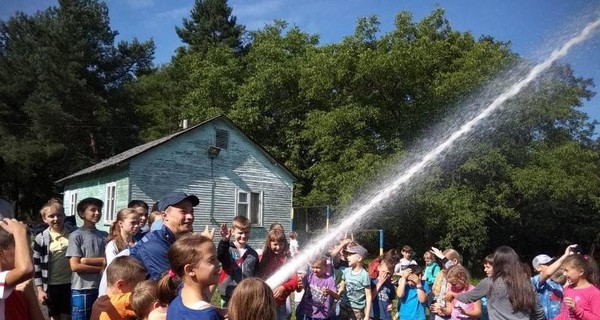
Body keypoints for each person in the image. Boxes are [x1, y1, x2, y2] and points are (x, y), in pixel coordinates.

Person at [446, 246, 544, 320]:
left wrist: (453, 294)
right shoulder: (526, 283)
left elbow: (468, 298)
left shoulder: (490, 282)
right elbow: (538, 312)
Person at [129, 192, 199, 280]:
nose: (190, 216)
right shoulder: (154, 245)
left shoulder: (173, 240)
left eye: (191, 212)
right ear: (165, 216)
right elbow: (172, 288)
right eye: (183, 211)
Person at [156, 233, 222, 320]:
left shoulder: (179, 294)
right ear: (190, 270)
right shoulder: (206, 315)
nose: (219, 263)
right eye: (212, 260)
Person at [66, 197, 108, 320]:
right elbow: (75, 266)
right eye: (93, 210)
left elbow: (109, 260)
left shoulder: (104, 235)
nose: (97, 213)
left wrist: (85, 260)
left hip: (101, 287)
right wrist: (102, 269)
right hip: (82, 288)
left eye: (99, 210)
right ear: (82, 213)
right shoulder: (76, 235)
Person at [33, 200, 74, 320]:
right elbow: (37, 266)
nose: (56, 218)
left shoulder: (74, 234)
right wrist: (40, 289)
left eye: (59, 215)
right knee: (54, 316)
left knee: (67, 316)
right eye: (51, 216)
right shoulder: (41, 238)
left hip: (70, 283)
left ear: (64, 216)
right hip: (51, 285)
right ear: (45, 219)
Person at [217, 215, 259, 306]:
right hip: (228, 295)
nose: (243, 236)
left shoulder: (253, 254)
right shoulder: (228, 249)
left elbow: (256, 274)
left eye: (246, 232)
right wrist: (224, 240)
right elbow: (220, 255)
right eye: (240, 233)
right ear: (233, 232)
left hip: (247, 294)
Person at [0, 218, 35, 320]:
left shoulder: (19, 287)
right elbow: (26, 269)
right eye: (23, 248)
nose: (30, 253)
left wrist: (30, 295)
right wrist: (19, 231)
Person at [531, 245, 577, 320]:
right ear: (538, 268)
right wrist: (565, 255)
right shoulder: (534, 281)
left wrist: (572, 258)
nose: (552, 265)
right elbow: (548, 273)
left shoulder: (557, 284)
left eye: (552, 263)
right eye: (547, 264)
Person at [554, 254, 600, 320]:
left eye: (566, 270)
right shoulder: (568, 288)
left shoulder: (595, 293)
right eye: (563, 270)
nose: (564, 274)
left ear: (581, 272)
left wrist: (577, 309)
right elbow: (564, 313)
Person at [296, 254, 338, 320]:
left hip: (321, 315)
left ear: (325, 267)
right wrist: (299, 285)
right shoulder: (309, 276)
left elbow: (336, 296)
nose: (314, 270)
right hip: (306, 312)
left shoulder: (330, 280)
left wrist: (329, 292)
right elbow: (299, 290)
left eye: (318, 267)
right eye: (313, 267)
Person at [338, 243, 372, 320]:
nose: (347, 257)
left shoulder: (364, 275)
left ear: (359, 258)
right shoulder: (346, 271)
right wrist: (335, 301)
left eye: (350, 255)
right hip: (344, 306)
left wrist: (367, 315)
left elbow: (368, 296)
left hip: (357, 310)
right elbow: (341, 288)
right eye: (348, 254)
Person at [429, 248, 462, 320]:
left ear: (455, 261)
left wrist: (442, 257)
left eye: (444, 261)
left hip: (452, 313)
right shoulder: (442, 273)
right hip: (440, 311)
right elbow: (437, 291)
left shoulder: (459, 273)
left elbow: (453, 269)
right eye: (442, 261)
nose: (442, 264)